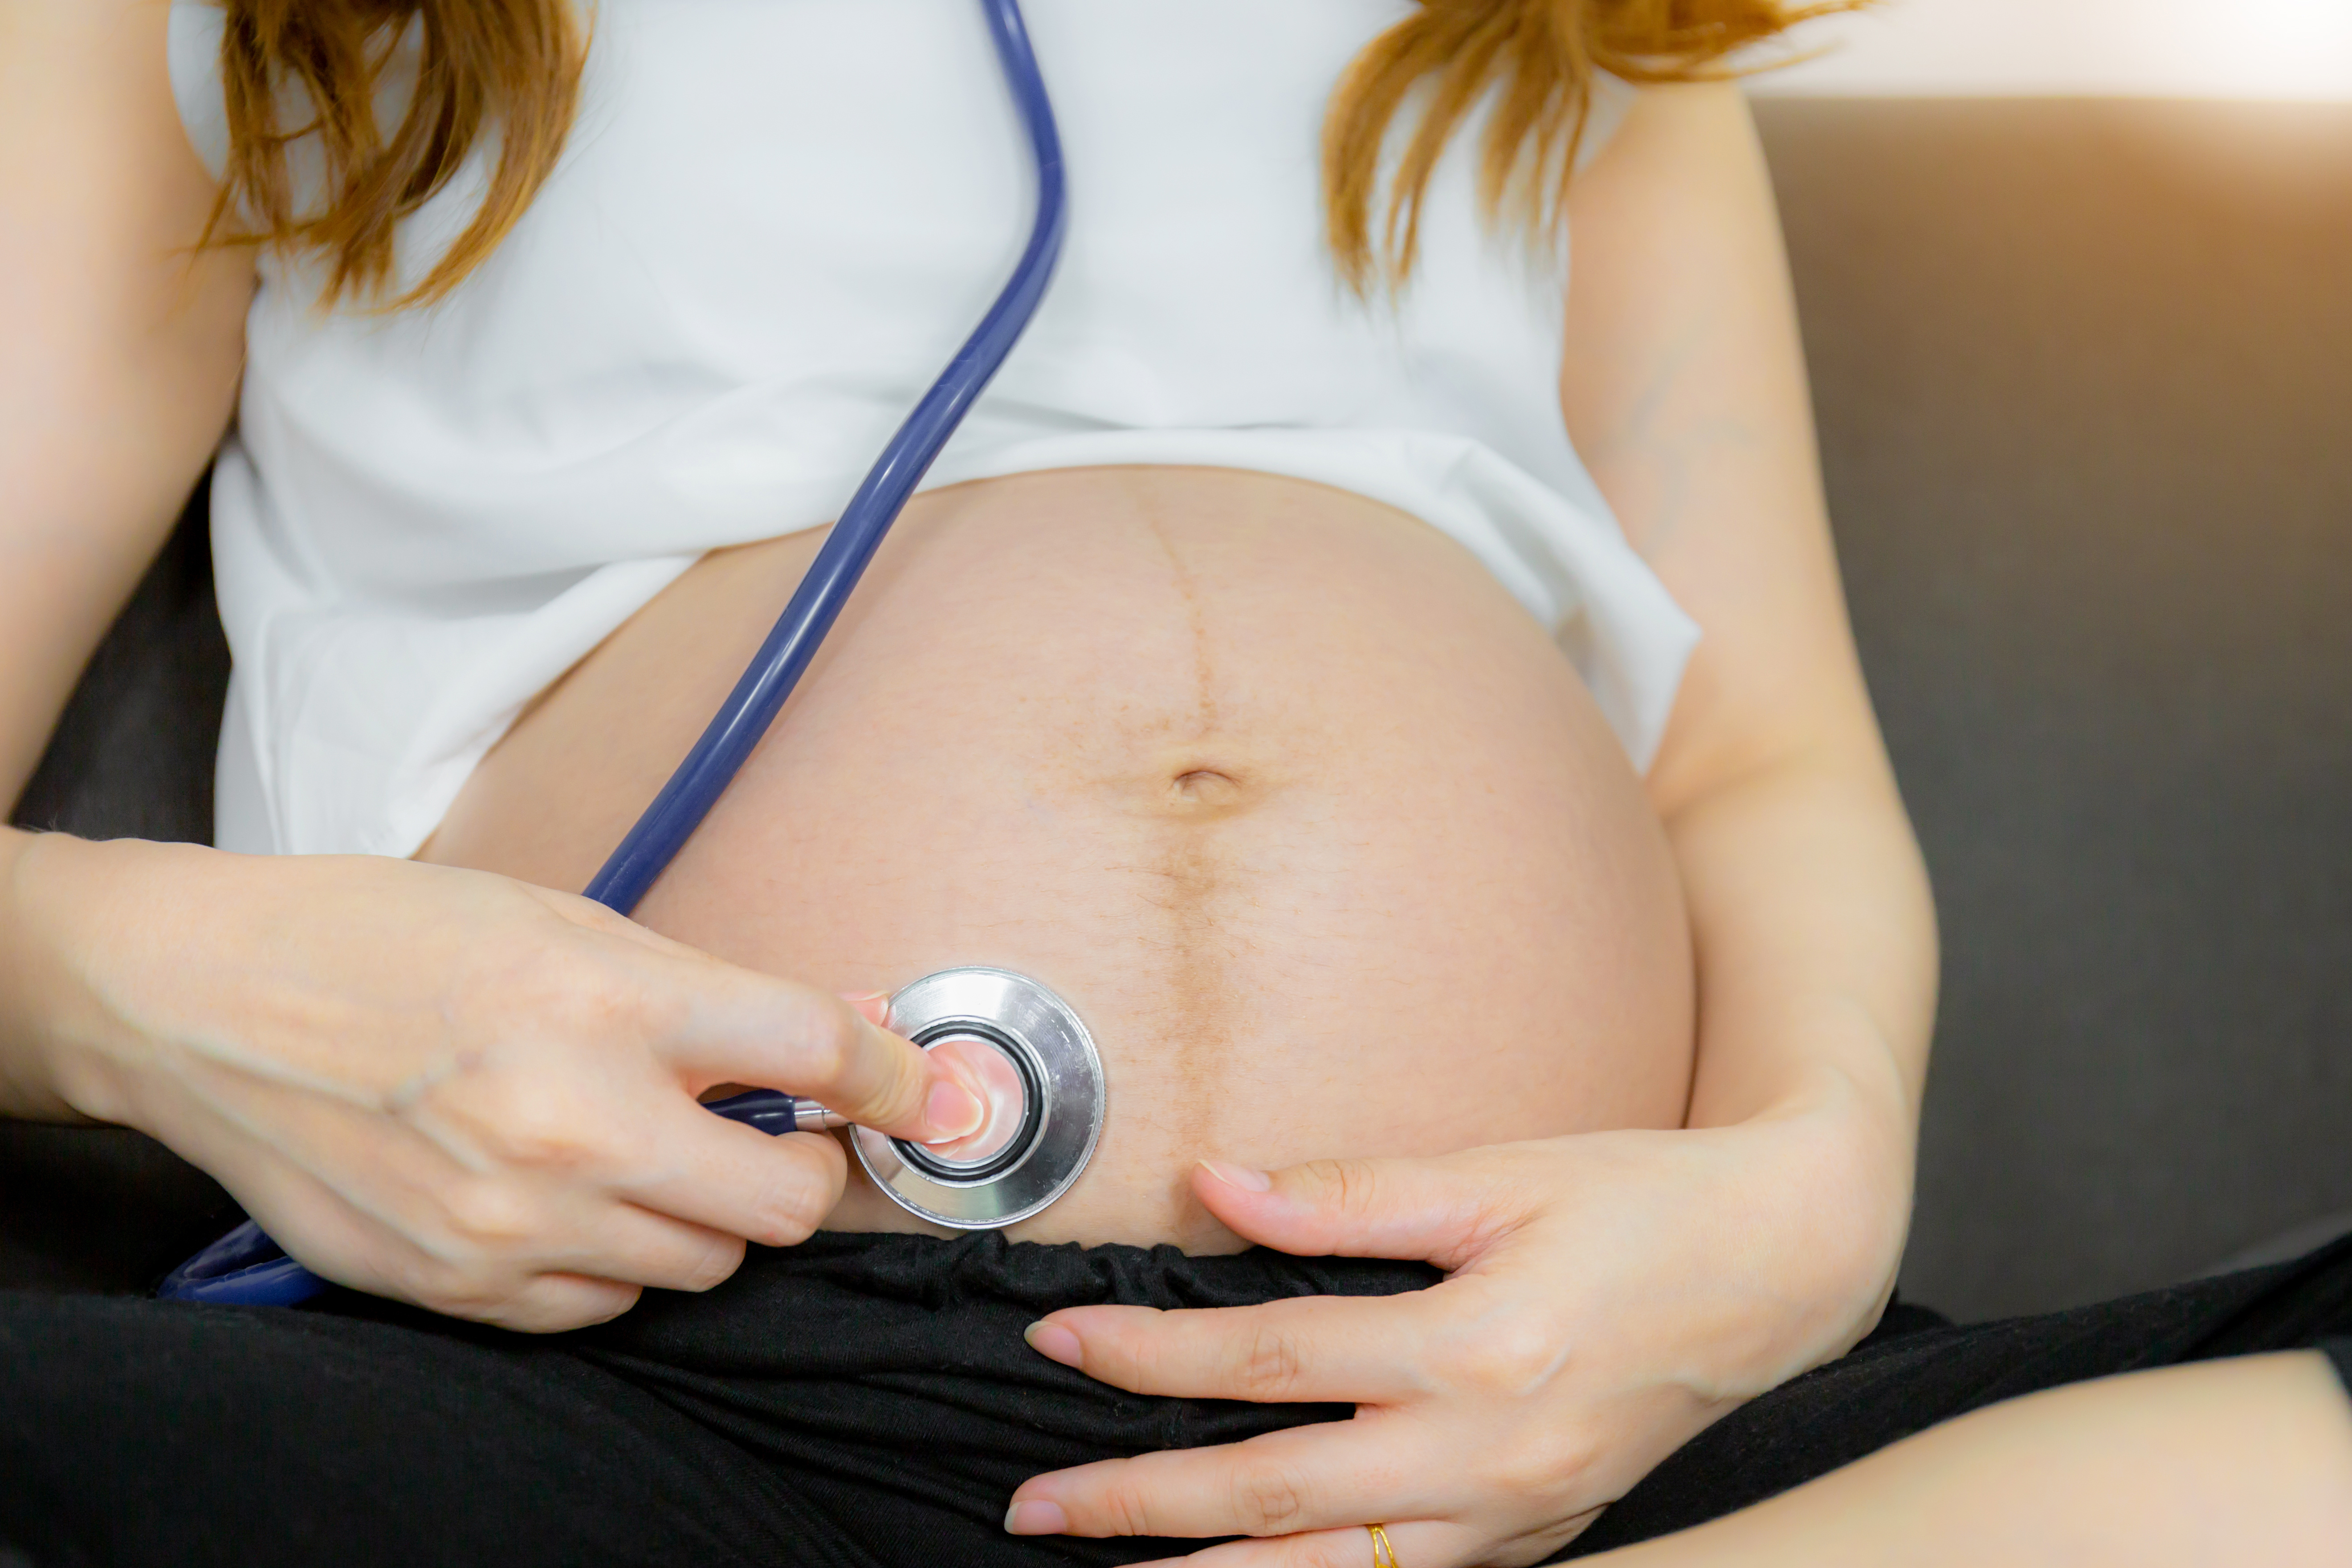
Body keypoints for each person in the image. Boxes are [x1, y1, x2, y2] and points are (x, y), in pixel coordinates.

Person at [0, 1, 2343, 1565]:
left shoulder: (1563, 36)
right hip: (632, 1383)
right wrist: (169, 982)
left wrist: (1804, 1205)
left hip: (1529, 1412)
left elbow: (1751, 758)